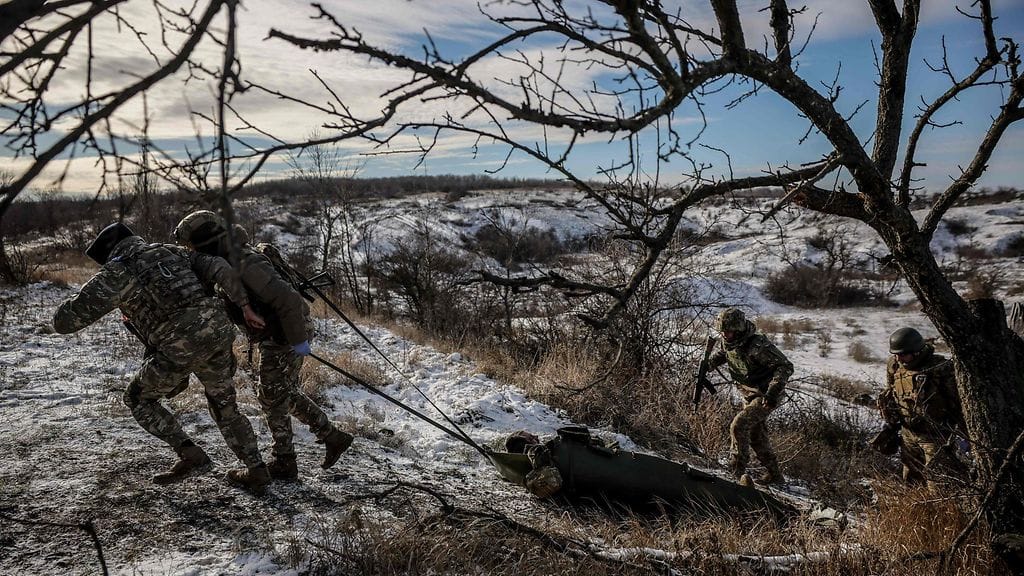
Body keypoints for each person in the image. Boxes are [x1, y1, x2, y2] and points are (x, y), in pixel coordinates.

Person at [52, 222, 272, 493]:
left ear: (107, 255)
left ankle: (189, 453)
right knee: (224, 404)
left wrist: (87, 291)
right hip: (217, 332)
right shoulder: (172, 251)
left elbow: (63, 322)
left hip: (178, 344)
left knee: (137, 399)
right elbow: (218, 266)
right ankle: (256, 468)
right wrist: (244, 306)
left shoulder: (115, 273)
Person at [173, 211, 353, 482]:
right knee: (279, 392)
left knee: (272, 395)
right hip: (278, 332)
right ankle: (330, 438)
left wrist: (298, 341)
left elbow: (289, 301)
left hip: (286, 333)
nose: (192, 251)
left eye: (191, 245)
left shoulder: (244, 261)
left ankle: (286, 460)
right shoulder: (227, 258)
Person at [705, 307, 792, 485]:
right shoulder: (728, 341)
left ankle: (736, 472)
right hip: (749, 394)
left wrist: (773, 392)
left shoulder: (757, 345)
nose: (725, 335)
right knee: (756, 435)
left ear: (738, 329)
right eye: (723, 332)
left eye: (728, 331)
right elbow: (725, 353)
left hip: (766, 394)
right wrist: (709, 364)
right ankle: (775, 475)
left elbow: (785, 366)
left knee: (739, 425)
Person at [875, 327, 966, 489]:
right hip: (908, 433)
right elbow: (891, 391)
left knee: (937, 485)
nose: (899, 358)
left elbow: (959, 403)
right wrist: (890, 422)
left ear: (917, 351)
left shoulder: (941, 368)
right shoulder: (894, 366)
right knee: (910, 481)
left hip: (936, 436)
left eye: (903, 354)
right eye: (896, 354)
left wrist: (963, 434)